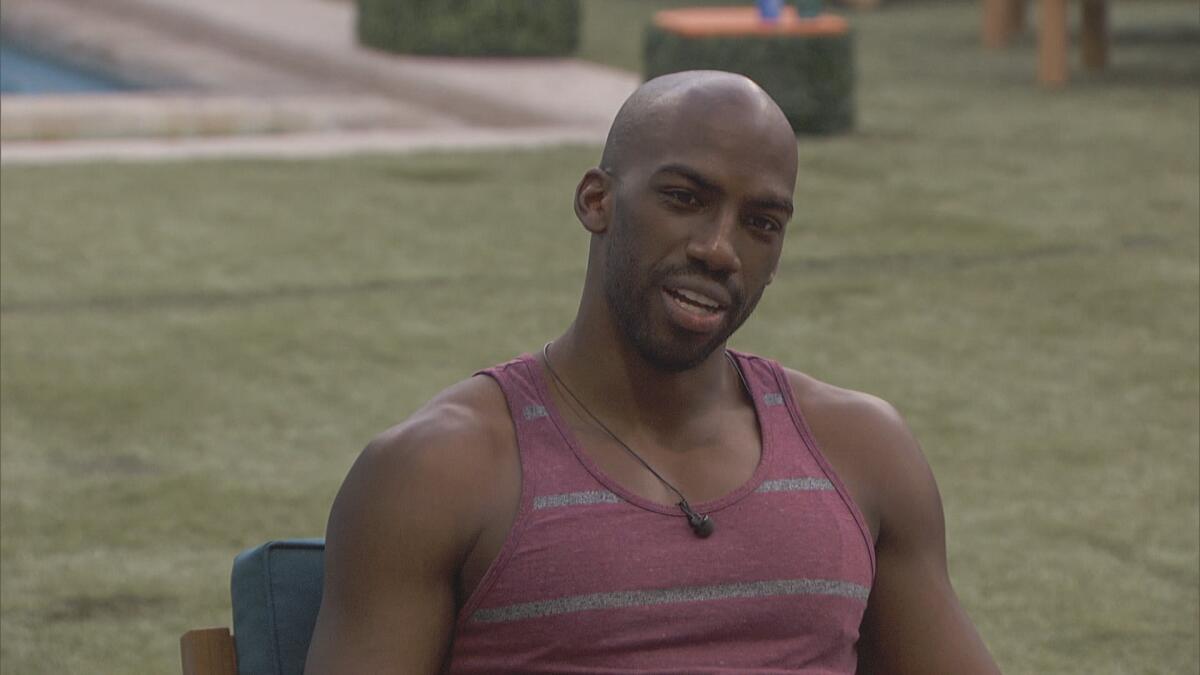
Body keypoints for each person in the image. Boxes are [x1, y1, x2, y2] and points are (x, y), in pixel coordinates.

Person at [304, 70, 1001, 674]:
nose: (719, 249)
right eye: (684, 198)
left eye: (761, 223)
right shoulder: (440, 470)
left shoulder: (863, 451)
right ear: (596, 201)